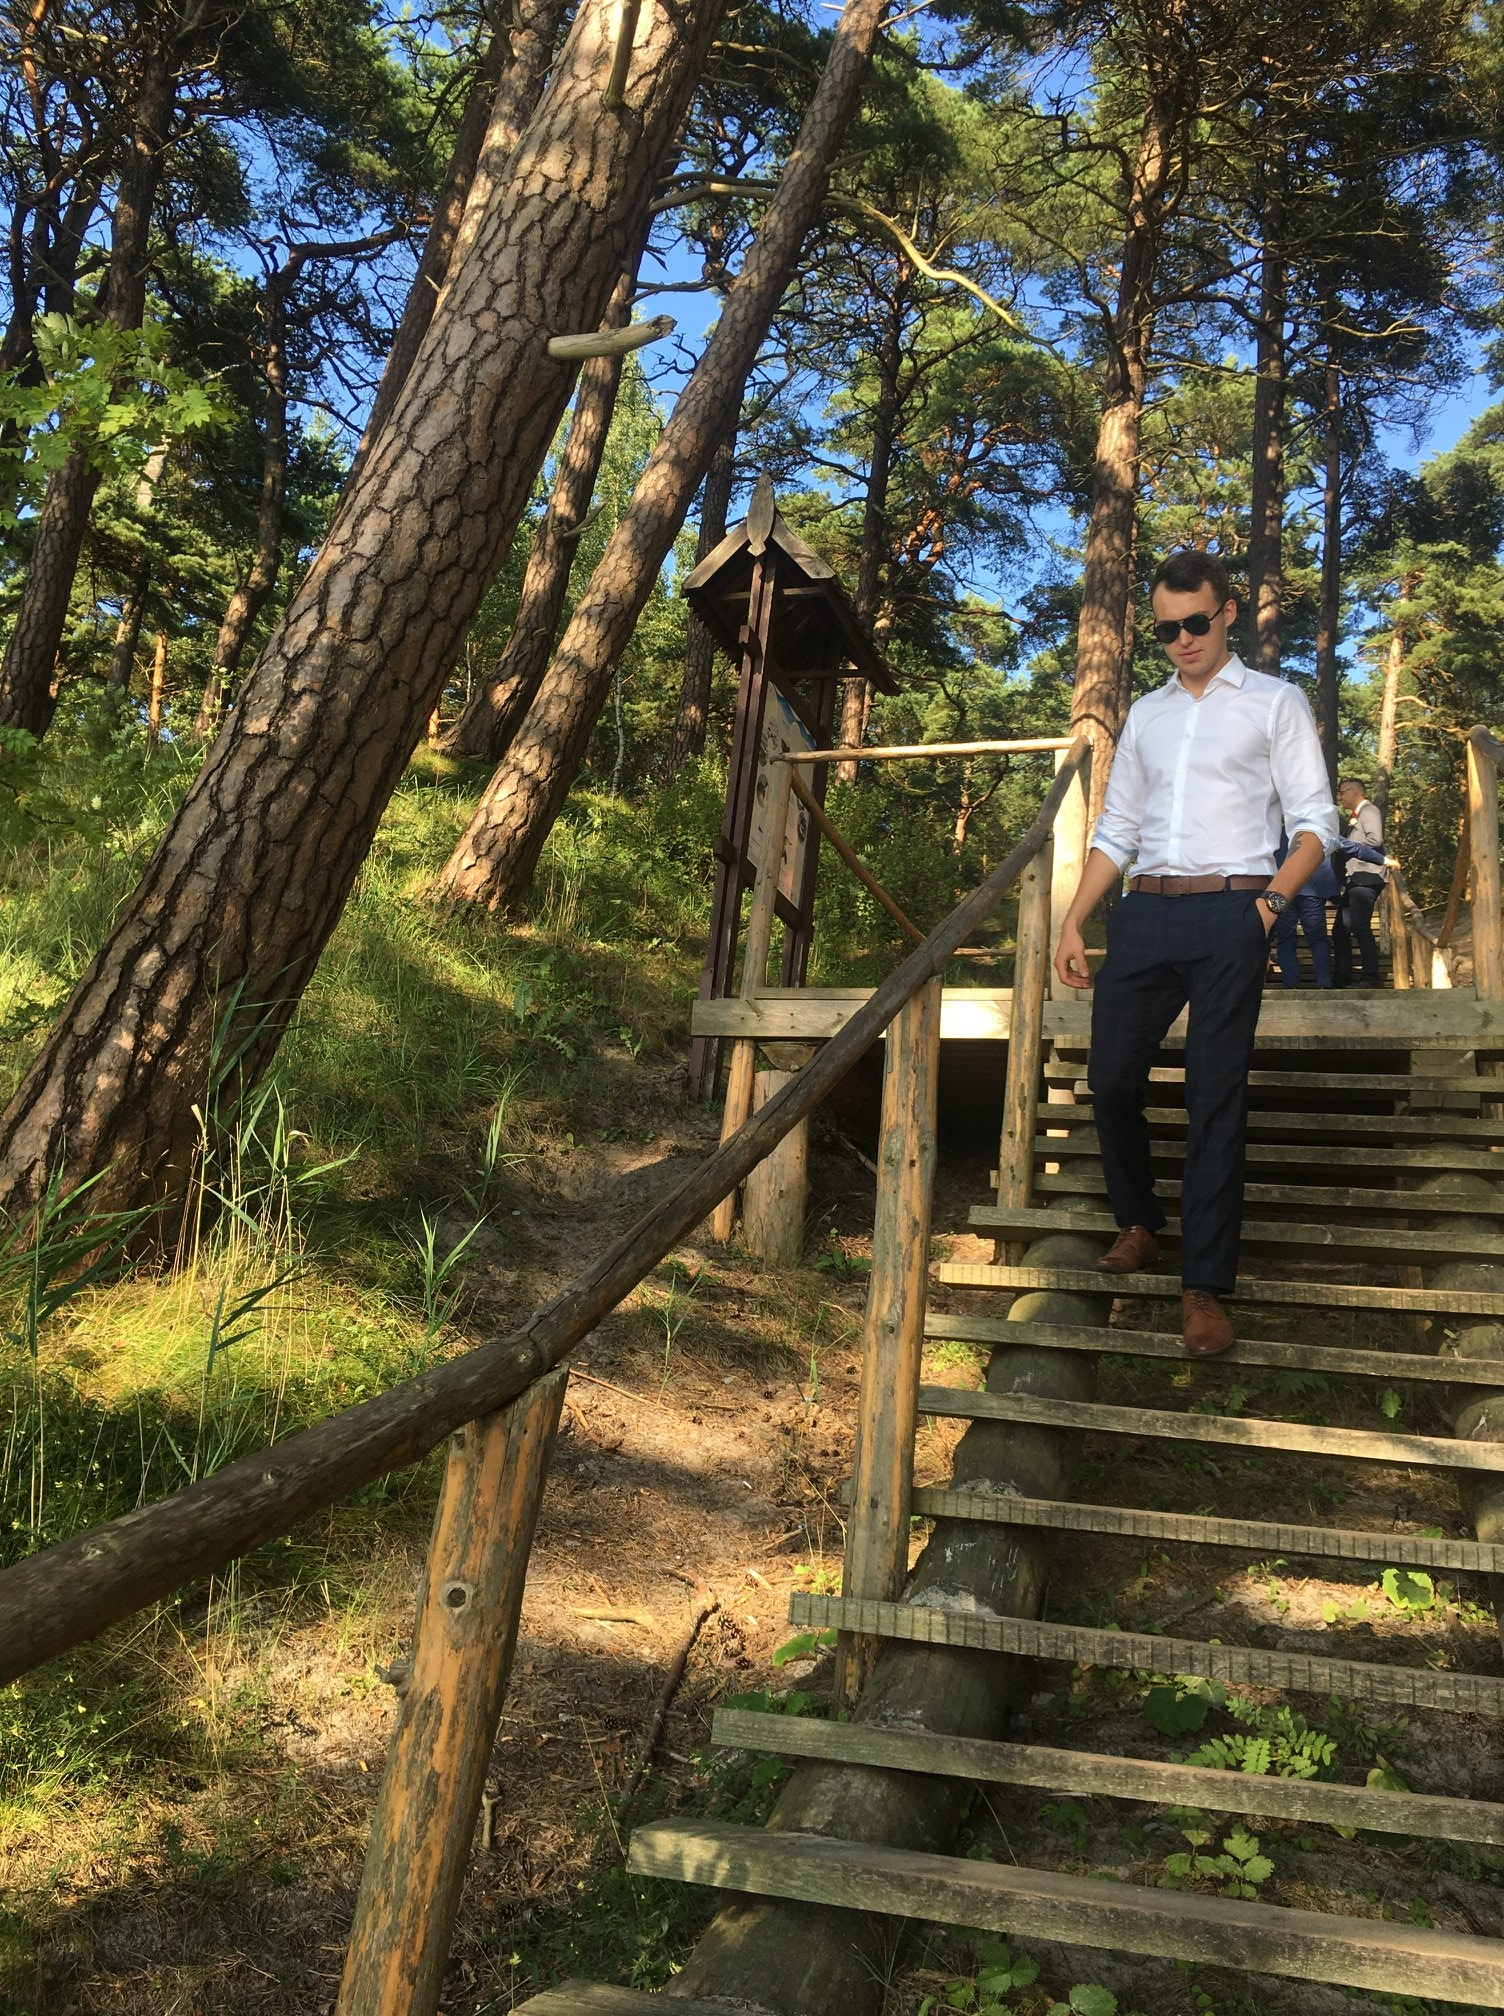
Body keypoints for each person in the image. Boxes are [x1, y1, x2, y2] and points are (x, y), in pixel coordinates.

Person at [1053, 551, 1337, 1358]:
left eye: (1196, 622)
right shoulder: (1147, 715)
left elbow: (1316, 822)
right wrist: (1075, 920)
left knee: (1215, 1093)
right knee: (1111, 1077)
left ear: (1228, 613)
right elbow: (1117, 829)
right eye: (1167, 628)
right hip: (1145, 911)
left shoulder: (1275, 703)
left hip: (1232, 912)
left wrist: (1268, 909)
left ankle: (1203, 1286)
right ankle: (1139, 1220)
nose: (1182, 638)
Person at [1332, 778, 1387, 988]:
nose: (1340, 797)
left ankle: (1371, 977)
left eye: (1342, 792)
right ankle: (1342, 978)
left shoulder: (1369, 811)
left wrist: (1345, 844)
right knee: (1340, 929)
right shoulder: (1356, 816)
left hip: (1367, 877)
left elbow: (1375, 840)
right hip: (1355, 879)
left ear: (1355, 792)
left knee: (1360, 926)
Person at [1272, 831, 1336, 989]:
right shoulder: (1318, 831)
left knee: (1285, 939)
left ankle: (1291, 985)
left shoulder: (1276, 834)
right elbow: (1344, 846)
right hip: (1312, 890)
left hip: (1284, 890)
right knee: (1318, 939)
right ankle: (1323, 983)